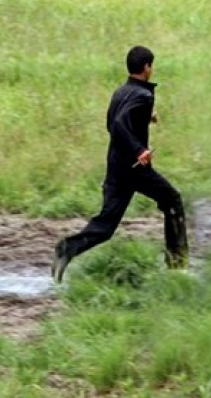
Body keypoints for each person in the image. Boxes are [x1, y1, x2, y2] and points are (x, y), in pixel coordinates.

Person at [51, 45, 189, 284]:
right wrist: (140, 150)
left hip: (116, 167)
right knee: (173, 200)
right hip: (135, 169)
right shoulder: (143, 95)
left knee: (106, 224)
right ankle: (177, 266)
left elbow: (114, 121)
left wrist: (146, 117)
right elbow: (118, 123)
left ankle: (67, 248)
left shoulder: (121, 91)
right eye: (151, 66)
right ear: (147, 67)